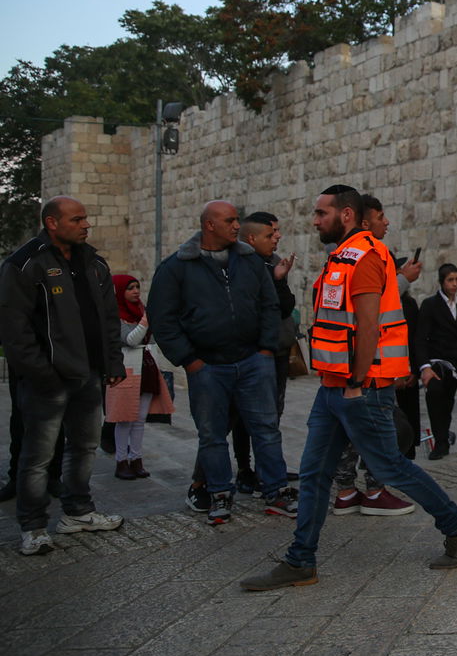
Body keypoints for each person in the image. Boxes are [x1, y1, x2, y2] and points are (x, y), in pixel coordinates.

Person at [241, 185, 457, 590]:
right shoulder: (341, 256)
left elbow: (369, 326)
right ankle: (300, 560)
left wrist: (355, 382)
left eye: (322, 213)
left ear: (347, 215)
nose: (315, 220)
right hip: (333, 387)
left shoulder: (367, 257)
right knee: (316, 472)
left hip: (361, 387)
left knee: (389, 465)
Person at [147, 200, 296, 525]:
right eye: (229, 220)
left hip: (254, 362)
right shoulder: (177, 267)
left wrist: (266, 350)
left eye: (236, 220)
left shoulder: (250, 263)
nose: (235, 226)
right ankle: (218, 494)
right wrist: (189, 360)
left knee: (266, 430)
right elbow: (162, 318)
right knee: (212, 434)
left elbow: (269, 305)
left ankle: (276, 492)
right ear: (209, 225)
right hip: (208, 367)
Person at [0, 196, 126, 555]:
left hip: (88, 375)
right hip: (47, 380)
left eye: (86, 218)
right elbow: (14, 329)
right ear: (52, 223)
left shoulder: (94, 264)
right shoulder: (25, 264)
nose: (86, 225)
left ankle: (78, 512)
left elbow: (108, 320)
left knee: (85, 447)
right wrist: (42, 373)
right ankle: (34, 526)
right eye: (77, 219)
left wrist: (112, 363)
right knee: (37, 456)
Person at [329, 194, 418, 516]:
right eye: (382, 217)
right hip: (369, 368)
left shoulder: (341, 256)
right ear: (363, 221)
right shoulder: (370, 255)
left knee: (344, 434)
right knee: (379, 434)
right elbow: (370, 316)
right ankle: (376, 491)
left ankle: (345, 492)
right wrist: (358, 375)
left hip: (345, 366)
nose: (387, 222)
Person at [228, 211, 298, 493]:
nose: (277, 237)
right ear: (252, 236)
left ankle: (270, 468)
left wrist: (279, 279)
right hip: (252, 353)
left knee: (272, 413)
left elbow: (285, 305)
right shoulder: (241, 266)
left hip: (276, 350)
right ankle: (245, 470)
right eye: (272, 232)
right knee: (244, 416)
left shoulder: (271, 263)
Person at [107, 275, 175, 480]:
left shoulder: (141, 311)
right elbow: (130, 339)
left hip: (146, 369)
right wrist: (146, 321)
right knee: (124, 418)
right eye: (130, 288)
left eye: (137, 287)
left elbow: (151, 340)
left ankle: (136, 459)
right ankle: (121, 462)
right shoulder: (115, 314)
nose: (135, 291)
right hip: (125, 371)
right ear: (120, 292)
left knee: (140, 419)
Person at [417, 264, 457, 459]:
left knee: (447, 403)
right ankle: (440, 441)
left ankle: (443, 440)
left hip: (455, 365)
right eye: (450, 280)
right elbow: (420, 337)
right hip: (435, 363)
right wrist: (424, 366)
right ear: (442, 282)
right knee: (435, 397)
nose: (454, 284)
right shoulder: (430, 305)